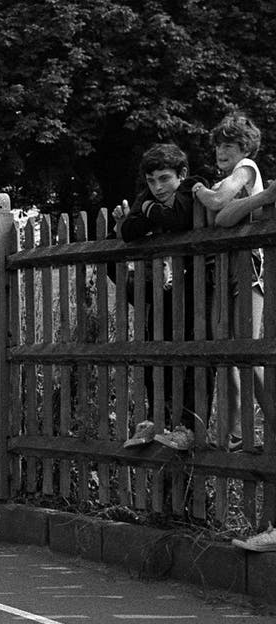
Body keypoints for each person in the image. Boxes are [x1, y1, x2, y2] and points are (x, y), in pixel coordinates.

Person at [109, 143, 208, 433]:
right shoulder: (148, 197)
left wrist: (147, 210)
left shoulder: (193, 187)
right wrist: (141, 214)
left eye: (164, 178)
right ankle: (156, 420)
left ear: (182, 174)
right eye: (151, 181)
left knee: (192, 359)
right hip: (161, 291)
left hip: (195, 288)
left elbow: (178, 217)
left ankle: (189, 426)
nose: (158, 187)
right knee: (155, 356)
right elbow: (127, 233)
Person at [191, 111, 269, 450]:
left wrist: (201, 191)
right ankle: (237, 434)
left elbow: (220, 206)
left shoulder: (247, 168)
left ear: (244, 148)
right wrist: (218, 205)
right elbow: (218, 217)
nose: (221, 152)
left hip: (247, 267)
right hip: (221, 270)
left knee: (247, 352)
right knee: (229, 353)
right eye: (218, 146)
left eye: (229, 145)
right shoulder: (226, 177)